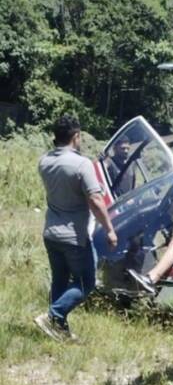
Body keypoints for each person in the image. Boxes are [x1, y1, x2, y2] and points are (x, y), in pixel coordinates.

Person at [35, 115, 118, 342]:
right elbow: (95, 201)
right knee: (85, 283)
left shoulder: (44, 162)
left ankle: (57, 329)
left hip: (51, 233)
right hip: (74, 236)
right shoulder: (82, 164)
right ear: (76, 137)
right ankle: (54, 315)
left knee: (59, 279)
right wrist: (109, 229)